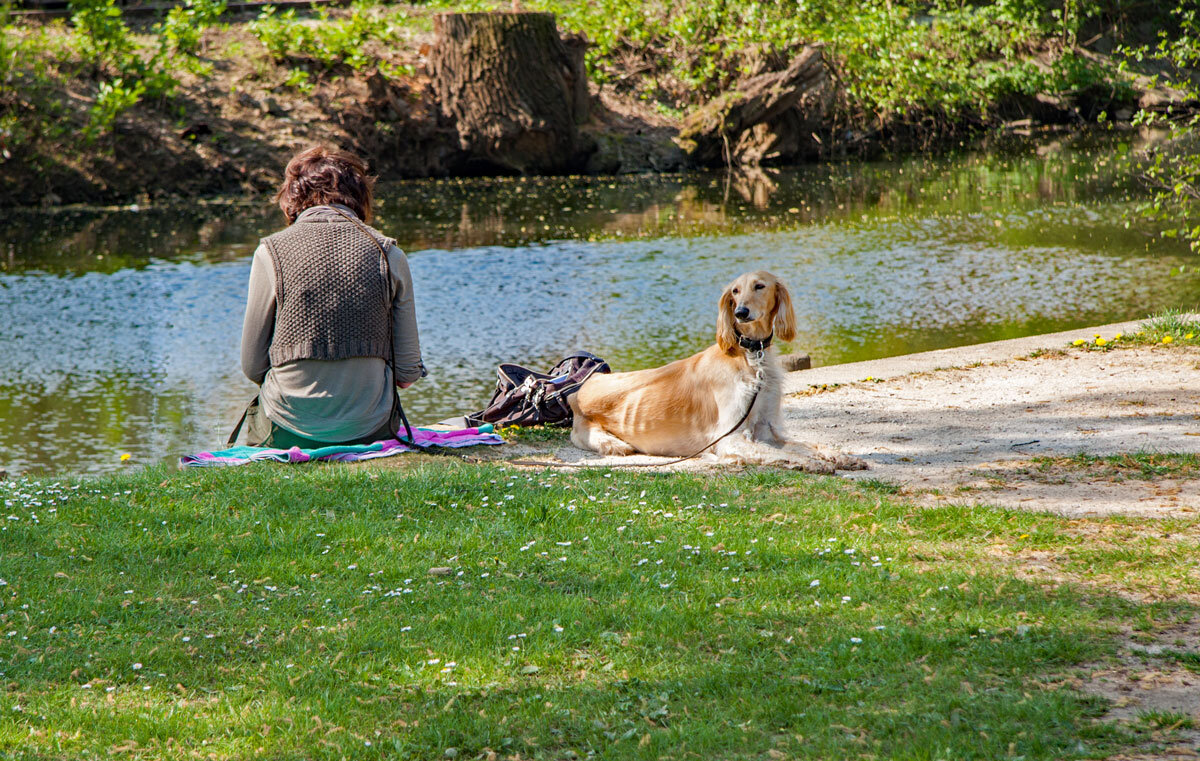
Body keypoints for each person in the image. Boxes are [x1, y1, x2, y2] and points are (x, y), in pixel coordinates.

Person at [231, 145, 425, 448]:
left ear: (291, 197)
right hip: (369, 426)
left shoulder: (270, 252)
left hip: (287, 425)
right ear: (360, 195)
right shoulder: (388, 252)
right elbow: (408, 372)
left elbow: (252, 366)